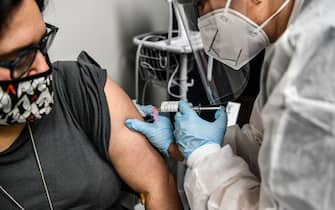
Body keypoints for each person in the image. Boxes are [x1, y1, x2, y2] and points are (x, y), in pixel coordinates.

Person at [125, 0, 335, 209]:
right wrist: (183, 145)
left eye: (202, 3)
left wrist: (204, 155)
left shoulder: (320, 54)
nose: (201, 19)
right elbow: (267, 147)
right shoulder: (291, 41)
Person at [0, 0, 183, 209]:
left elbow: (156, 184)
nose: (44, 66)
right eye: (22, 58)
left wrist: (203, 154)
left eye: (43, 43)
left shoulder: (77, 85)